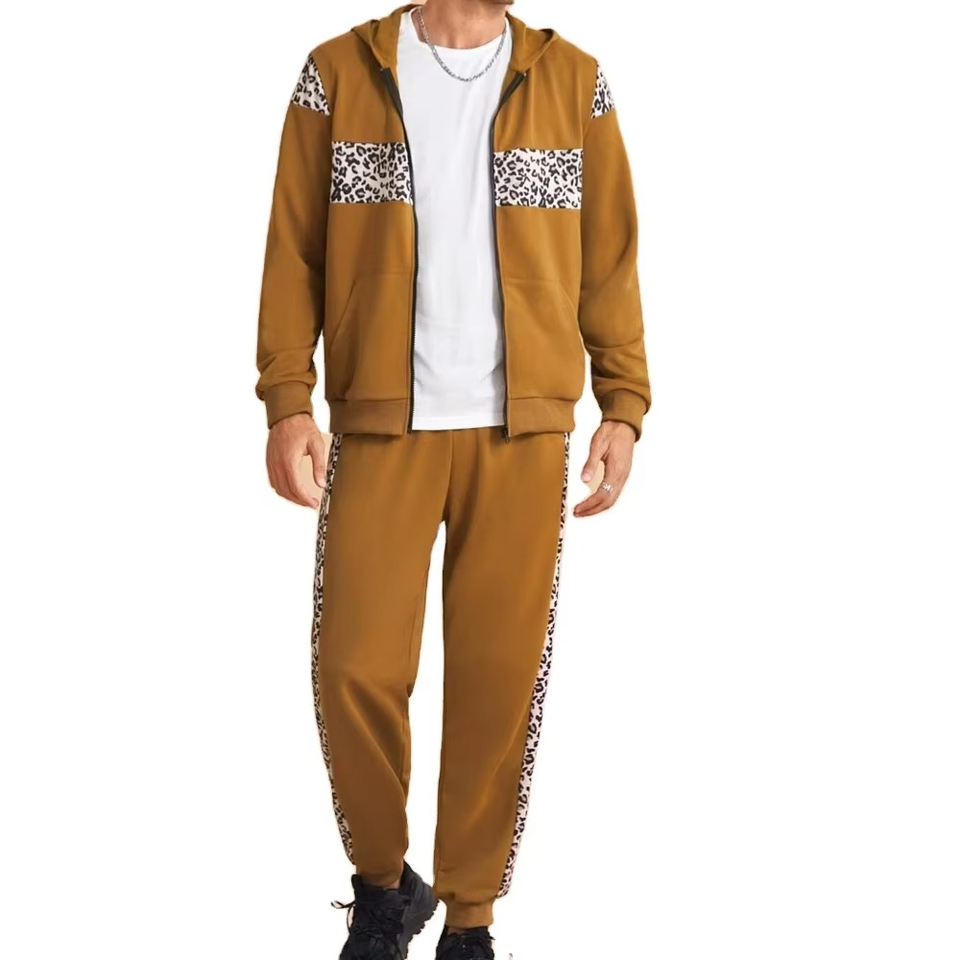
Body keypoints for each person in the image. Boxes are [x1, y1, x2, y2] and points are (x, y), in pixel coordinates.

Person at [255, 1, 650, 956]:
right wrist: (288, 398)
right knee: (353, 665)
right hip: (380, 419)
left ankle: (470, 919)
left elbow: (610, 259)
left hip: (523, 429)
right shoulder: (337, 74)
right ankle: (384, 887)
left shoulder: (576, 83)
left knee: (496, 681)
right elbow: (293, 247)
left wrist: (623, 402)